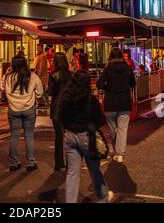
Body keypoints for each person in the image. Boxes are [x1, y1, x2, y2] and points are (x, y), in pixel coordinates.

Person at [57, 70, 113, 203]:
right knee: (94, 169)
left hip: (69, 136)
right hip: (86, 136)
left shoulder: (66, 97)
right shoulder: (90, 99)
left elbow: (59, 116)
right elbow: (101, 120)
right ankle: (103, 197)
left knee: (72, 173)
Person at [3, 56, 43, 171]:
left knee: (14, 135)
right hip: (29, 109)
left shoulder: (8, 77)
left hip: (13, 109)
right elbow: (40, 93)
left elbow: (3, 90)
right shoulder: (33, 76)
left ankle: (14, 162)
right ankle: (31, 161)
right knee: (29, 135)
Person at [97, 48, 136, 163]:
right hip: (124, 102)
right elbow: (133, 83)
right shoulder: (128, 69)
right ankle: (120, 153)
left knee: (113, 130)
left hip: (111, 103)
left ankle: (117, 151)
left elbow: (99, 84)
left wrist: (107, 87)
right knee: (122, 130)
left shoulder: (108, 69)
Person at [48, 52, 72, 171]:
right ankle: (70, 161)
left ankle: (59, 163)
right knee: (68, 135)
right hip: (68, 106)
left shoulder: (53, 75)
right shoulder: (70, 74)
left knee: (59, 136)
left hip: (57, 106)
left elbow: (51, 92)